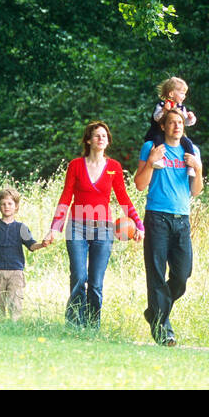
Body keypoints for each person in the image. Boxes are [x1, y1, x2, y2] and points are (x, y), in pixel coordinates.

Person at [43, 121, 143, 328]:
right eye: (97, 135)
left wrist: (139, 225)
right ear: (88, 140)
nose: (101, 139)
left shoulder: (114, 167)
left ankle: (92, 327)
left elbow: (123, 198)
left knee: (96, 283)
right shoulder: (75, 165)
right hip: (77, 226)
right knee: (79, 277)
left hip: (104, 229)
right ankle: (74, 325)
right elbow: (66, 196)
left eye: (104, 136)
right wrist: (55, 227)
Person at [136, 107, 204, 346]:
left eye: (180, 123)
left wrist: (198, 168)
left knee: (183, 275)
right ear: (163, 126)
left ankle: (155, 311)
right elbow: (140, 185)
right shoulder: (152, 148)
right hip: (157, 218)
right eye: (172, 122)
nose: (177, 126)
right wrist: (151, 163)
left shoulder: (191, 150)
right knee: (156, 274)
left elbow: (196, 191)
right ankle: (163, 332)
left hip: (182, 219)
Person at [0, 188, 47, 320]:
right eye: (3, 204)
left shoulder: (21, 227)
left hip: (16, 270)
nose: (6, 207)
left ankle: (14, 323)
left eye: (10, 204)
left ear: (16, 206)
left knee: (15, 299)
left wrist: (41, 245)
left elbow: (31, 245)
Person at [143, 76, 198, 168]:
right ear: (171, 93)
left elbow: (186, 122)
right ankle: (159, 159)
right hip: (159, 132)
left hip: (175, 135)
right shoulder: (161, 105)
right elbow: (156, 118)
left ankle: (190, 165)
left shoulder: (181, 108)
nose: (184, 96)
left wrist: (191, 118)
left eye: (185, 94)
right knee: (157, 140)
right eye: (182, 93)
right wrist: (164, 111)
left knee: (188, 142)